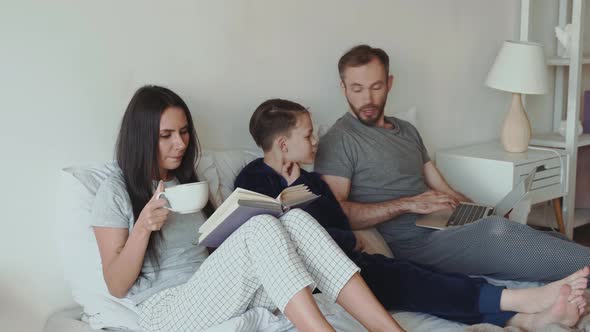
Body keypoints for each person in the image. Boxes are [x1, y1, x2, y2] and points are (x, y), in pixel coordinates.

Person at [234, 98, 588, 329]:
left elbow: (340, 227)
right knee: (415, 280)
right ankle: (525, 303)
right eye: (308, 135)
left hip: (350, 264)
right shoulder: (252, 179)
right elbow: (265, 240)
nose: (315, 142)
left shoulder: (312, 180)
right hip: (315, 278)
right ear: (282, 143)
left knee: (422, 278)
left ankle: (524, 316)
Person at [90, 85, 406, 332]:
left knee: (294, 220)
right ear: (142, 137)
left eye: (184, 132)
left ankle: (388, 329)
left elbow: (212, 254)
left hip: (217, 295)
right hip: (165, 311)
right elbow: (116, 285)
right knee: (260, 229)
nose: (181, 143)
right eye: (166, 135)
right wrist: (143, 227)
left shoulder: (188, 182)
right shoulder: (116, 189)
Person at [313, 44, 590, 282]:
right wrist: (407, 204)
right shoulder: (340, 140)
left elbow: (443, 188)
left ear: (389, 83)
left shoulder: (407, 130)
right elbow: (337, 213)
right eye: (357, 89)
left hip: (444, 227)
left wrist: (482, 210)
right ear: (343, 88)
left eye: (375, 87)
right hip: (412, 243)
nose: (367, 99)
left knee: (544, 236)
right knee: (499, 232)